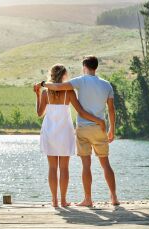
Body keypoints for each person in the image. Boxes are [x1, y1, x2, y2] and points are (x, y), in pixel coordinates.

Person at [35, 56, 120, 206]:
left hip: (60, 130)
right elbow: (96, 110)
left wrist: (40, 89)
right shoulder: (99, 87)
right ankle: (111, 197)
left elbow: (42, 109)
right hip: (79, 131)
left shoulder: (50, 91)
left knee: (58, 167)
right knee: (73, 167)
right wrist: (105, 124)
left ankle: (61, 200)